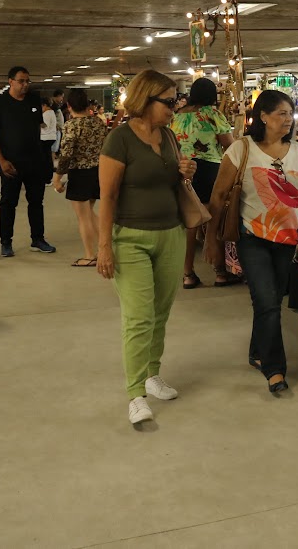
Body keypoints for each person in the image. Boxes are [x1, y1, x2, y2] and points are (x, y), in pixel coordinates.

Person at [97, 70, 197, 425]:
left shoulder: (169, 136)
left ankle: (152, 373)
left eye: (176, 100)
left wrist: (186, 169)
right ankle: (135, 393)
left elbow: (171, 180)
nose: (175, 107)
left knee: (160, 312)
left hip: (170, 234)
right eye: (168, 102)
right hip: (131, 239)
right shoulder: (119, 139)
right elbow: (107, 197)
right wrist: (104, 246)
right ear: (145, 99)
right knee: (138, 317)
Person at [206, 89, 298, 395]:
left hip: (286, 240)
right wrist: (212, 240)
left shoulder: (296, 151)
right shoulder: (242, 149)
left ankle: (257, 351)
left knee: (270, 301)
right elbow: (217, 196)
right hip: (252, 237)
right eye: (281, 113)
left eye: (290, 114)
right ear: (263, 117)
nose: (288, 119)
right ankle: (275, 368)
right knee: (268, 301)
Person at [170, 78, 237, 288]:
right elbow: (230, 145)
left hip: (183, 169)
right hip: (209, 169)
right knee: (212, 219)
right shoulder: (211, 113)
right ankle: (220, 272)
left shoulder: (178, 115)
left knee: (190, 222)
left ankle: (188, 274)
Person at [0, 66, 56, 257]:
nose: (25, 85)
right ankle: (6, 242)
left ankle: (38, 239)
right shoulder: (0, 103)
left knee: (36, 202)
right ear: (10, 81)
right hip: (11, 164)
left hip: (35, 162)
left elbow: (36, 124)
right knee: (9, 204)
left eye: (27, 81)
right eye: (21, 81)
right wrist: (1, 160)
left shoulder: (34, 99)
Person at [53, 89, 106, 267]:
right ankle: (106, 248)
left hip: (80, 174)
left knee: (83, 217)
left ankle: (90, 255)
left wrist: (57, 177)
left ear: (69, 106)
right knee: (90, 213)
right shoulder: (98, 122)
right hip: (98, 171)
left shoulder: (71, 125)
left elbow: (66, 154)